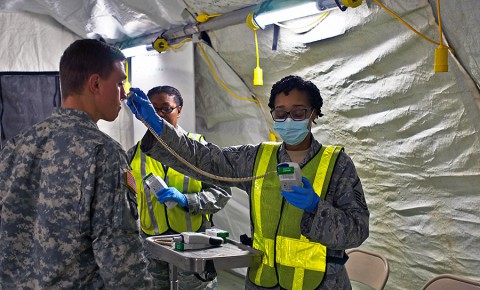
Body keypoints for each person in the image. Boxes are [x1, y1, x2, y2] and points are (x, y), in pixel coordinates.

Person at [127, 75, 370, 290]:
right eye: (280, 112)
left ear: (314, 113)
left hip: (321, 283)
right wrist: (159, 128)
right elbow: (206, 159)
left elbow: (357, 231)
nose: (288, 119)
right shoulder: (256, 158)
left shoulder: (336, 164)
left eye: (298, 113)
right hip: (263, 280)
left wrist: (316, 209)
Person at [0, 39, 152, 289]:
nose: (124, 93)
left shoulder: (16, 146)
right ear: (95, 84)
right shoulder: (104, 153)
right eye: (119, 82)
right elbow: (122, 264)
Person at [127, 85, 231, 290]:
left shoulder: (199, 148)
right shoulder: (134, 153)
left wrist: (187, 200)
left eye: (166, 109)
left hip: (194, 243)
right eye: (153, 109)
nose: (159, 115)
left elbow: (221, 193)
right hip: (152, 246)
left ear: (180, 110)